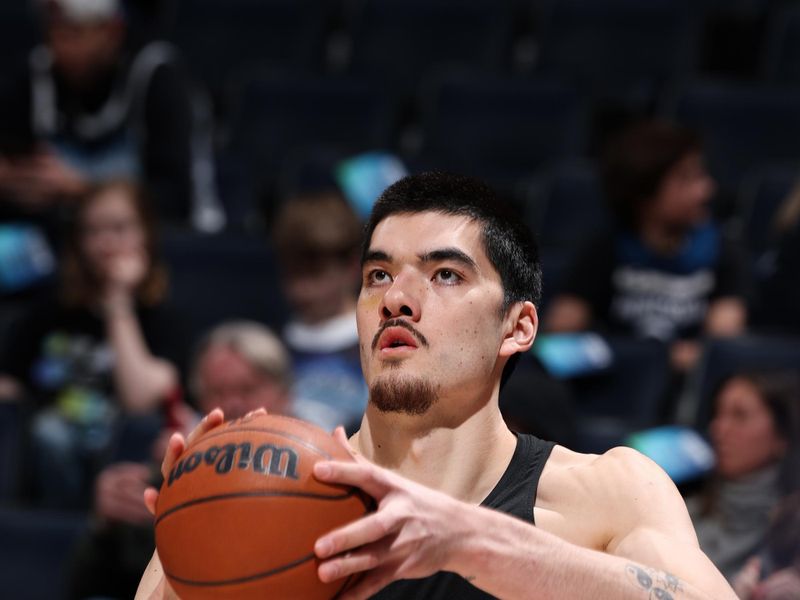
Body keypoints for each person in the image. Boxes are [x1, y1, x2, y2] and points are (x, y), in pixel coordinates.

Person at [137, 171, 736, 599]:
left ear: (518, 326)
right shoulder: (254, 496)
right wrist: (192, 559)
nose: (396, 298)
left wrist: (468, 542)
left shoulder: (604, 493)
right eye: (377, 275)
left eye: (445, 274)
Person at [67, 320, 294, 600]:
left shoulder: (325, 473)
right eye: (218, 393)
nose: (234, 404)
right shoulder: (168, 478)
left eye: (247, 390)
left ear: (286, 395)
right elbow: (89, 586)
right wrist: (102, 527)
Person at [0, 179, 187, 508]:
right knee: (50, 432)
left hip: (124, 457)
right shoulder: (54, 307)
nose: (106, 243)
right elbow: (9, 380)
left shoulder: (160, 315)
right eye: (93, 231)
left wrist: (118, 300)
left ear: (146, 234)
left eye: (120, 228)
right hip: (50, 458)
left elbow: (141, 400)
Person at [545, 119, 749, 373]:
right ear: (644, 194)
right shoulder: (604, 250)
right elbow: (558, 338)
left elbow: (721, 351)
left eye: (701, 176)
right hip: (615, 384)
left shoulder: (723, 253)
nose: (706, 191)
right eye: (687, 179)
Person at [0, 0, 223, 231]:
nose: (60, 46)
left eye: (75, 33)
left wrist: (82, 189)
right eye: (52, 31)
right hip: (74, 246)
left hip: (172, 244)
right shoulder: (37, 73)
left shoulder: (156, 78)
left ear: (112, 31)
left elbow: (176, 200)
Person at [687, 371, 800, 582]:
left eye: (740, 415)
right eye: (717, 414)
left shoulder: (792, 530)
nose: (719, 428)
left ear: (781, 437)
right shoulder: (681, 510)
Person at [271, 190, 368, 433]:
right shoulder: (272, 348)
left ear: (351, 268)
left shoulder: (378, 342)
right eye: (293, 274)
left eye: (315, 275)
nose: (301, 290)